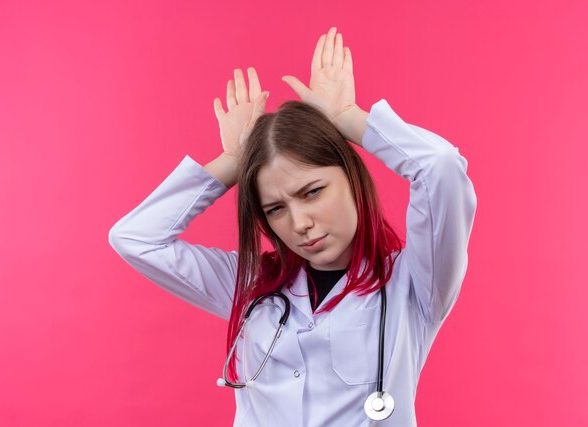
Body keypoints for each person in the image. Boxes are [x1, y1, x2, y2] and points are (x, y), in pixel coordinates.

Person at [108, 26, 477, 426]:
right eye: (275, 208)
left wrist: (348, 119)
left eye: (312, 191)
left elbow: (440, 167)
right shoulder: (248, 286)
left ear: (351, 179)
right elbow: (135, 238)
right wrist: (235, 161)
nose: (300, 223)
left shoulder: (416, 283)